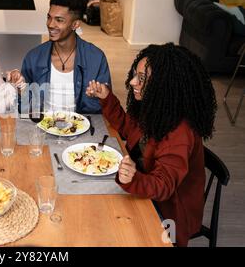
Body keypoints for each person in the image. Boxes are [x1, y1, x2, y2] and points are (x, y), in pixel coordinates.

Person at [86, 43, 217, 247]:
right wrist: (107, 99)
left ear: (164, 85)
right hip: (142, 186)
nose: (132, 82)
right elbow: (129, 129)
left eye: (142, 78)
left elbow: (163, 186)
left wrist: (133, 177)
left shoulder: (179, 133)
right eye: (135, 75)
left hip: (168, 213)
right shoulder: (159, 108)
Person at [19, 0, 111, 114]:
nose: (50, 24)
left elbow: (105, 109)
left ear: (75, 24)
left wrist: (99, 96)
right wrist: (20, 91)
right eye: (49, 17)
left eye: (59, 20)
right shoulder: (33, 57)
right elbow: (24, 106)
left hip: (80, 126)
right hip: (43, 126)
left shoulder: (96, 58)